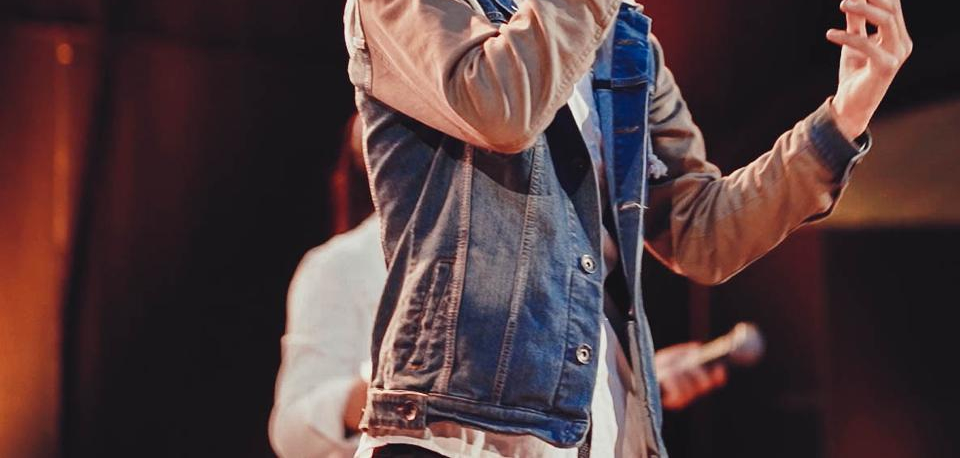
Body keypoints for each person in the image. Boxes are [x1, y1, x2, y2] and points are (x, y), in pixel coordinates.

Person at [341, 0, 911, 458]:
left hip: (600, 436)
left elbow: (703, 232)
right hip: (458, 437)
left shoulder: (617, 30)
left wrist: (846, 113)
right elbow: (503, 105)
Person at [269, 117, 730, 458]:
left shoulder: (557, 240)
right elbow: (293, 430)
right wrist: (416, 383)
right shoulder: (342, 265)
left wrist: (629, 383)